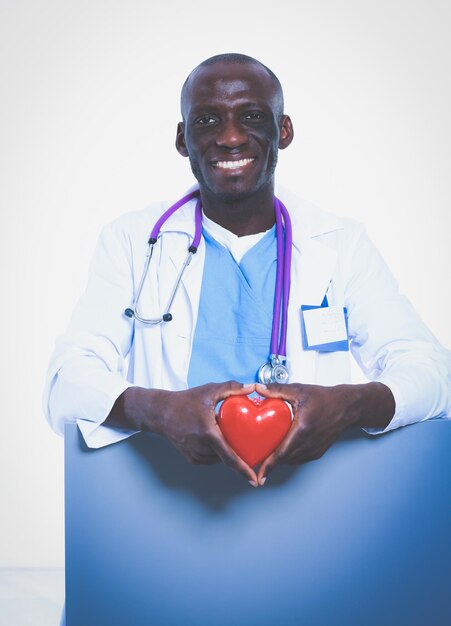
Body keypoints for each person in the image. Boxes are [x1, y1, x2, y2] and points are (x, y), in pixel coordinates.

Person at [44, 52, 451, 489]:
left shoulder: (339, 244)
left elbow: (432, 375)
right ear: (182, 139)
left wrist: (348, 404)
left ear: (284, 130)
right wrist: (160, 410)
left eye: (252, 116)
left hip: (320, 509)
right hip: (165, 510)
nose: (230, 137)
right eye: (207, 121)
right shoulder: (132, 241)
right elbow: (66, 383)